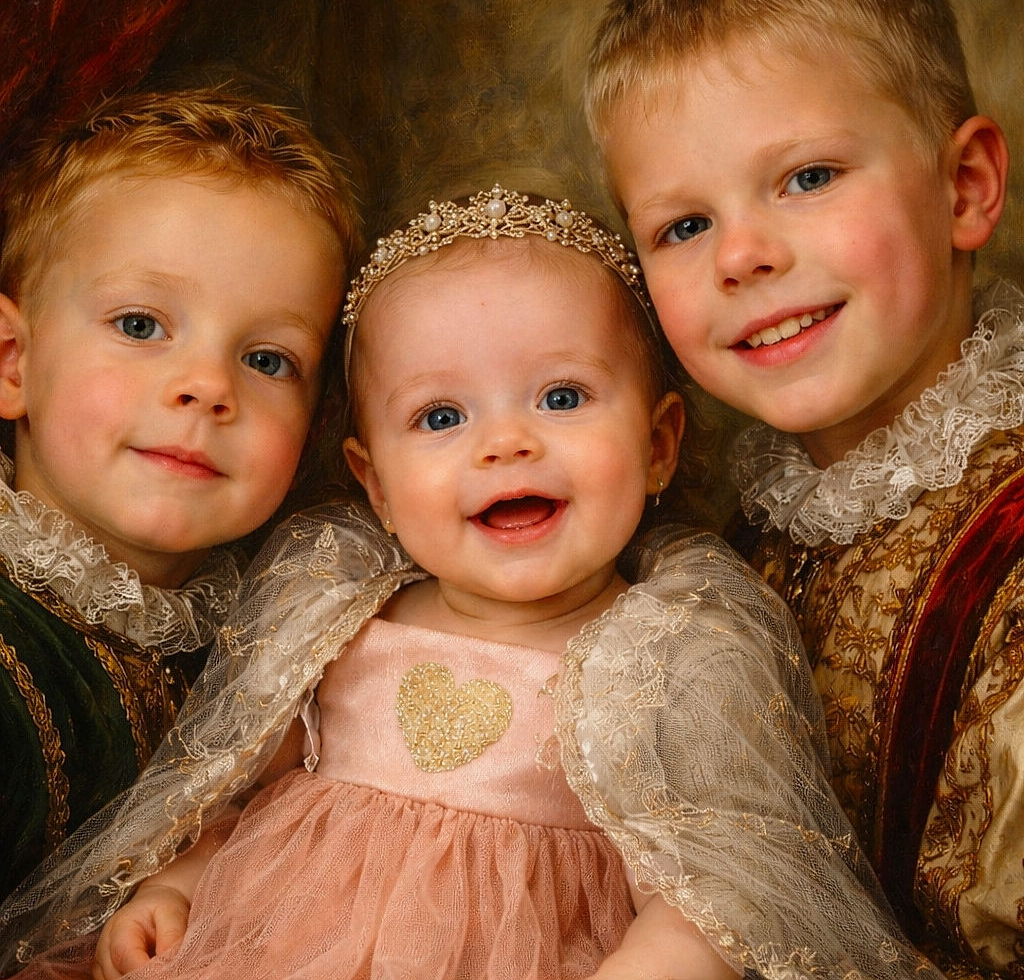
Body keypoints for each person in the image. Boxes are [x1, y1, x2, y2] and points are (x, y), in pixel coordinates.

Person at [5, 186, 942, 979]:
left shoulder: (666, 653)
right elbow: (239, 787)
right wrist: (182, 880)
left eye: (562, 397)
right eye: (441, 415)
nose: (506, 443)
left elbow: (706, 898)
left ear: (658, 445)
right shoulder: (339, 617)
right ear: (374, 485)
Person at [584, 0, 1021, 973]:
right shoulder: (727, 542)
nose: (741, 256)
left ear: (963, 188)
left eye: (808, 177)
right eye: (683, 225)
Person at [0, 87, 358, 907]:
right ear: (13, 362)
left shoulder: (293, 644)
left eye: (268, 360)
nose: (206, 386)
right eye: (139, 324)